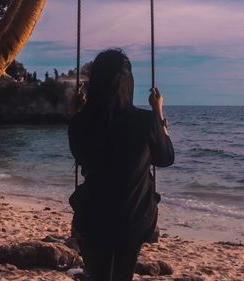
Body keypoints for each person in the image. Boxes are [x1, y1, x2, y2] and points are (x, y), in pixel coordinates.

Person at [68, 49, 174, 281]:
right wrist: (158, 113)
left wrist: (77, 114)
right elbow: (165, 158)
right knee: (122, 273)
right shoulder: (146, 122)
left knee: (99, 273)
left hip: (93, 215)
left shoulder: (81, 123)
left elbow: (81, 156)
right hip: (134, 218)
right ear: (129, 84)